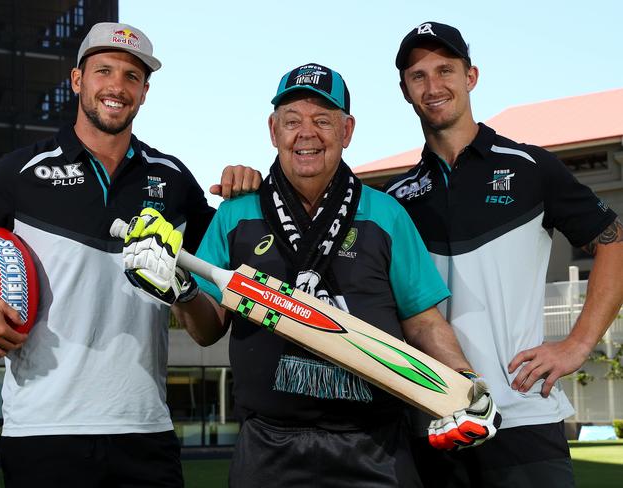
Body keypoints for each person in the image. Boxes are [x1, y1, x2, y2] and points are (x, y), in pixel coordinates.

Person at [121, 63, 500, 487]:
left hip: (373, 448)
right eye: (293, 121)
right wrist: (183, 292)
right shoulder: (236, 213)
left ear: (347, 131)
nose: (307, 133)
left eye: (323, 120)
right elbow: (209, 329)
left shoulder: (387, 214)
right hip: (268, 447)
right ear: (273, 130)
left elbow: (424, 321)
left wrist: (466, 381)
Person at [0, 22, 260, 488]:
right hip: (44, 431)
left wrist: (246, 192)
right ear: (77, 80)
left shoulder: (173, 180)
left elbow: (228, 261)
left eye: (131, 76)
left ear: (145, 92)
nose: (117, 86)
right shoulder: (21, 172)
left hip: (145, 429)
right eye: (104, 70)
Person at [385, 21, 623, 487]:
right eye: (419, 76)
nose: (434, 86)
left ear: (470, 77)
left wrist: (577, 345)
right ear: (405, 91)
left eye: (445, 70)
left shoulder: (531, 167)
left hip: (523, 413)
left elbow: (613, 240)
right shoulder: (397, 198)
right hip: (435, 420)